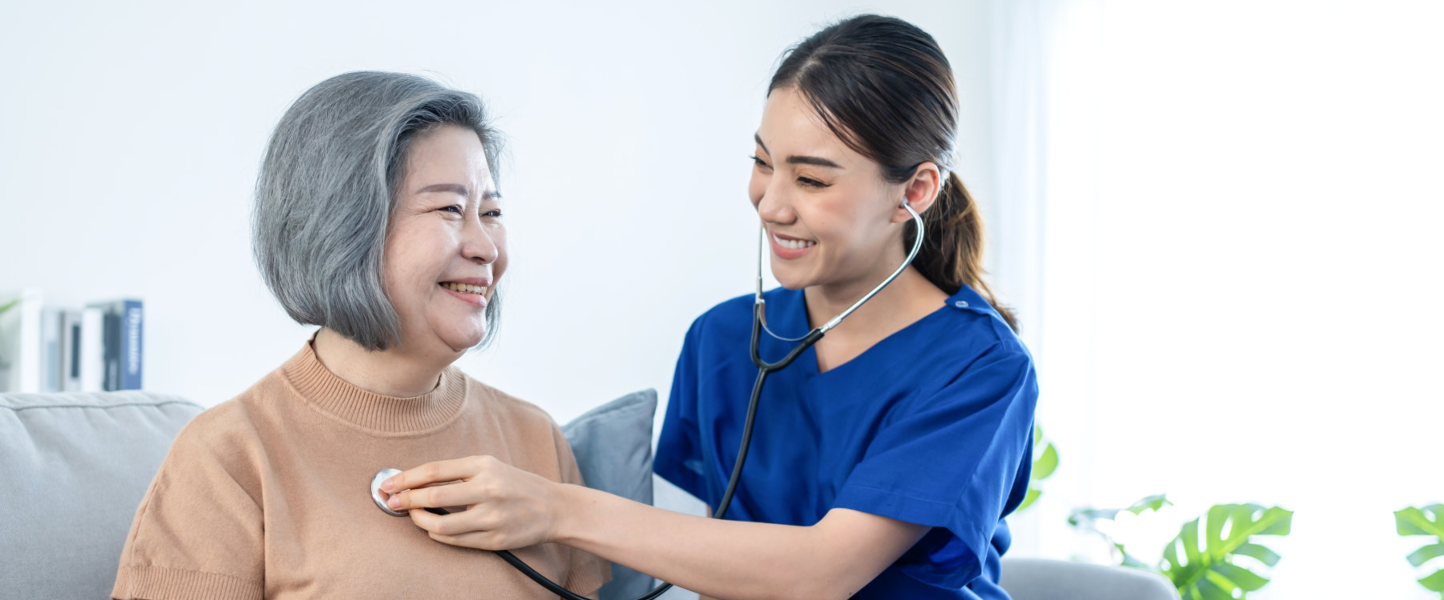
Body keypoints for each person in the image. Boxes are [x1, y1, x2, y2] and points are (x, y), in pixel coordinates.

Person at [379, 15, 1037, 600]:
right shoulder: (723, 339)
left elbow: (821, 575)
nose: (772, 203)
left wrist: (551, 508)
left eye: (811, 179)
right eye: (762, 162)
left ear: (914, 191)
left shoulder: (980, 369)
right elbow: (687, 551)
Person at [110, 71, 610, 600]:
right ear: (343, 225)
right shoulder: (228, 457)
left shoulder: (536, 440)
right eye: (450, 209)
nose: (486, 247)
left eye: (492, 213)